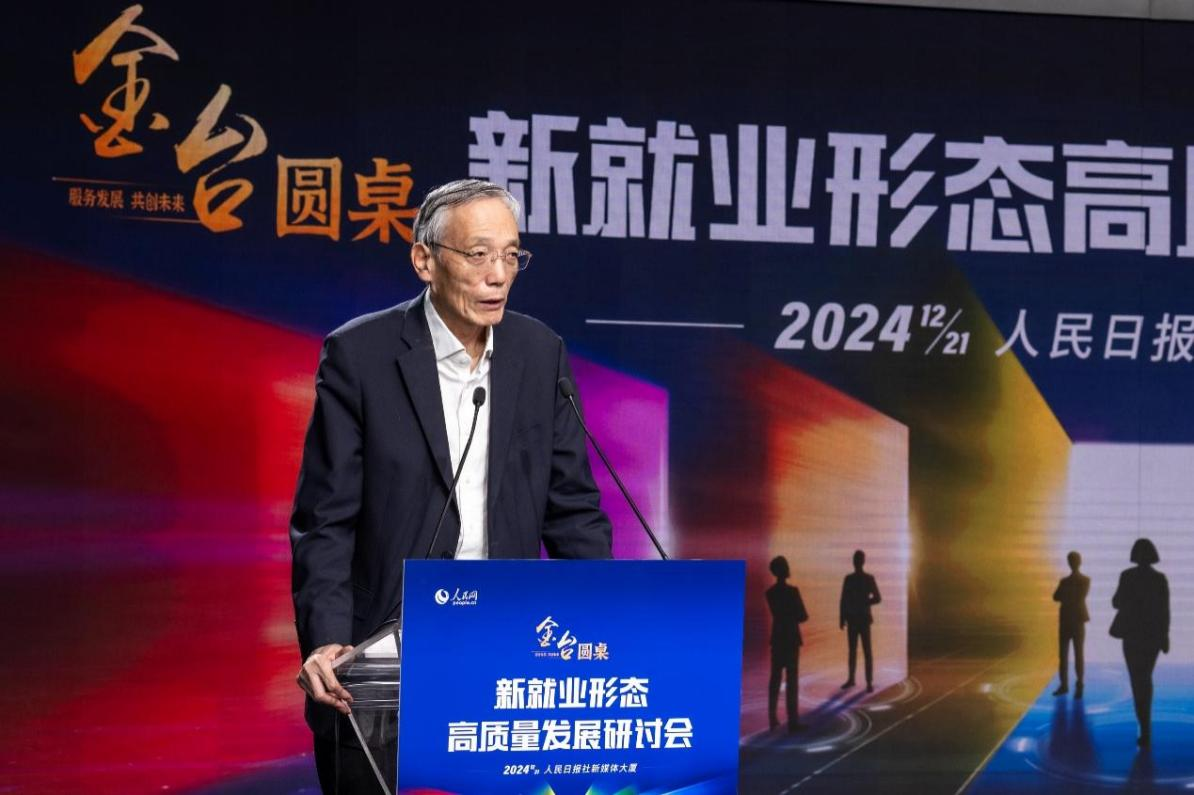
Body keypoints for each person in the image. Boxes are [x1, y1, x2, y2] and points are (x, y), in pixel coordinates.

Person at [289, 179, 613, 792]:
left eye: (512, 255)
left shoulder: (540, 353)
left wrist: (610, 623)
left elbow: (573, 511)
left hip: (507, 655)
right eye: (478, 254)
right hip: (384, 657)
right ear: (424, 259)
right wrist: (329, 640)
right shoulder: (360, 355)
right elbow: (325, 521)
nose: (499, 275)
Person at [1110, 538, 1169, 747]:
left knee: (1137, 681)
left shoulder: (1127, 576)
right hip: (1152, 636)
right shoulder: (1160, 579)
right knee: (1145, 679)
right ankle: (1146, 728)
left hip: (1132, 635)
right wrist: (1164, 637)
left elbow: (1116, 602)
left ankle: (1143, 727)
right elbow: (1164, 611)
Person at [766, 556, 809, 732]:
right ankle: (793, 721)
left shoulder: (770, 593)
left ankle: (772, 718)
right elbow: (803, 616)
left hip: (778, 639)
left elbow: (778, 613)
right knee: (792, 681)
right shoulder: (793, 592)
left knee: (775, 679)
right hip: (791, 639)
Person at [840, 549, 881, 692]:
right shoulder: (867, 578)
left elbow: (844, 600)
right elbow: (877, 598)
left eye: (857, 559)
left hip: (856, 618)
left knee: (857, 650)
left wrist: (842, 617)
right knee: (863, 650)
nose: (856, 561)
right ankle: (865, 681)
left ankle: (858, 680)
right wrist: (865, 602)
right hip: (861, 618)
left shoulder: (850, 579)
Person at [1052, 550, 1090, 698]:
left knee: (1064, 655)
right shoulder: (1085, 580)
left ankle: (1065, 685)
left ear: (1069, 563)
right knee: (1078, 654)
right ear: (1079, 562)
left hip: (1066, 620)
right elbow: (1078, 597)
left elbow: (1056, 597)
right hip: (1078, 620)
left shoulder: (1065, 582)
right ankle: (1078, 685)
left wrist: (1066, 596)